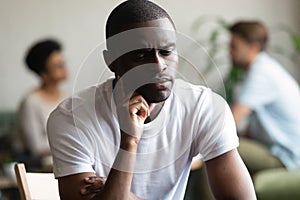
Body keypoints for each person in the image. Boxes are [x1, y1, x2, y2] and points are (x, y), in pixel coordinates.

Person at [47, 1, 256, 199]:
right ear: (111, 61)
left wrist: (124, 195)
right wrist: (129, 142)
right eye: (140, 56)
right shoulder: (71, 117)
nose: (158, 66)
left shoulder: (203, 107)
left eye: (166, 52)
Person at [229, 21, 300, 176]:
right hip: (285, 151)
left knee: (218, 147)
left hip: (287, 157)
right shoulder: (266, 67)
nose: (230, 52)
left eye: (234, 47)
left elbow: (230, 121)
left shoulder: (261, 73)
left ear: (253, 47)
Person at [14, 39, 67, 169]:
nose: (64, 69)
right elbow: (36, 147)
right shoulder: (31, 102)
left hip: (61, 156)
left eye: (63, 64)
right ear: (43, 74)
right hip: (37, 165)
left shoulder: (67, 97)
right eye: (58, 66)